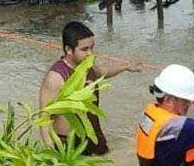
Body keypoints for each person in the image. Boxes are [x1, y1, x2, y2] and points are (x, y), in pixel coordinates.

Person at [39, 21, 137, 155]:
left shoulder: (87, 66)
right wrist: (53, 156)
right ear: (68, 49)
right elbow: (44, 120)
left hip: (93, 137)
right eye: (84, 49)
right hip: (69, 143)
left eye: (92, 48)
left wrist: (124, 67)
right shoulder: (56, 77)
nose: (91, 54)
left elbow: (101, 73)